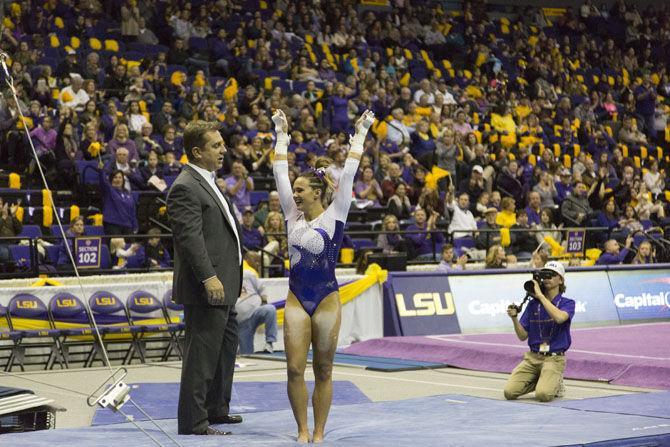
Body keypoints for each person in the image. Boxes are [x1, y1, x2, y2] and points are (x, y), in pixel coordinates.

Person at [271, 108, 374, 443]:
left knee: (324, 370)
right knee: (294, 368)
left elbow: (350, 171)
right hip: (298, 297)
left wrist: (360, 133)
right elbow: (279, 174)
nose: (294, 195)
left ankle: (319, 431)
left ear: (317, 192)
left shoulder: (337, 211)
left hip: (327, 297)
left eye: (301, 191)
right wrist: (281, 135)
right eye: (294, 191)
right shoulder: (291, 214)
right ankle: (301, 429)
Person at [167, 121, 243, 436]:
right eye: (215, 146)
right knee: (201, 354)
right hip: (208, 286)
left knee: (225, 349)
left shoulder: (208, 182)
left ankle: (216, 410)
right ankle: (193, 421)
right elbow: (191, 240)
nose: (223, 149)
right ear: (197, 152)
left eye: (222, 144)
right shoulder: (185, 186)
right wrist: (209, 277)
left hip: (226, 284)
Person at [504, 261, 576, 402]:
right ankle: (546, 379)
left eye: (551, 275)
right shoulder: (532, 305)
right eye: (544, 275)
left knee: (543, 395)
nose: (547, 278)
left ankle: (555, 381)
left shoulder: (568, 303)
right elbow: (522, 336)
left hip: (554, 358)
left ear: (560, 280)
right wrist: (514, 318)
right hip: (532, 358)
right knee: (509, 392)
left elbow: (560, 318)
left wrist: (541, 296)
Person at [236, 252, 278, 354]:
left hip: (255, 312)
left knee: (270, 309)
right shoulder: (223, 280)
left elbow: (261, 288)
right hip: (240, 323)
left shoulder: (247, 274)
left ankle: (269, 342)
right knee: (246, 354)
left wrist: (263, 301)